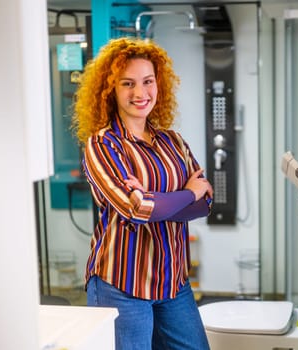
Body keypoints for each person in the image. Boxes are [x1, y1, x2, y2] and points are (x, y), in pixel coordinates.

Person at [71, 37, 213, 350]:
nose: (140, 93)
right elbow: (134, 209)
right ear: (111, 90)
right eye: (128, 83)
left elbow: (206, 203)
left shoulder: (172, 141)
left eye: (148, 81)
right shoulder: (103, 145)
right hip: (120, 284)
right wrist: (187, 192)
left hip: (173, 281)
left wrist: (155, 201)